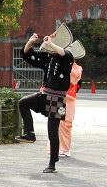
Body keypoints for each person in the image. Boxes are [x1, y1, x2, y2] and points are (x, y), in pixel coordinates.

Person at [17, 24, 75, 173]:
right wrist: (30, 42)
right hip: (45, 94)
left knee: (52, 131)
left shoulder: (67, 57)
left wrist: (51, 44)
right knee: (23, 102)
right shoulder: (48, 58)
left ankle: (52, 163)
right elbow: (28, 55)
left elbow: (63, 53)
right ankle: (29, 133)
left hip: (58, 99)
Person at [56, 40, 84, 157]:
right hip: (58, 96)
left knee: (66, 123)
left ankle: (64, 148)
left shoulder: (77, 68)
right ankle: (55, 148)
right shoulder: (59, 65)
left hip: (69, 99)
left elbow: (73, 79)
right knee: (56, 122)